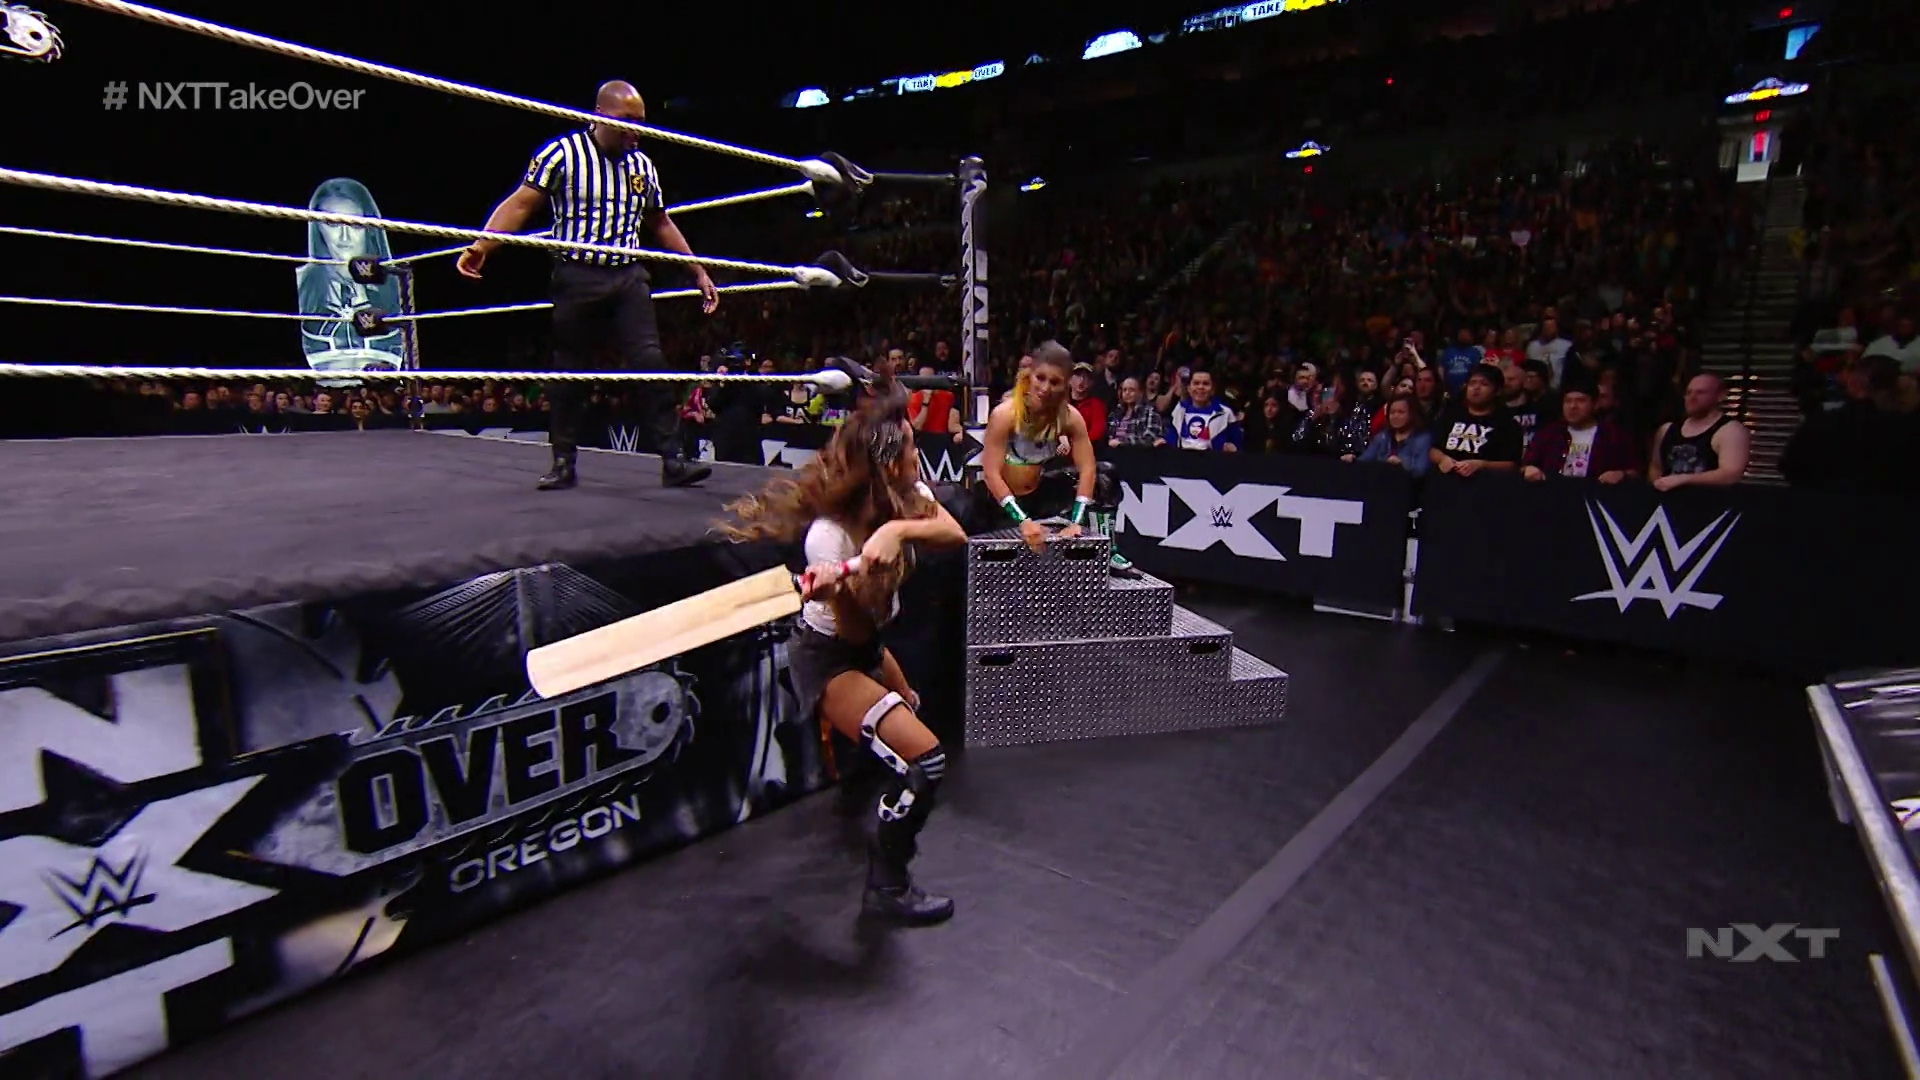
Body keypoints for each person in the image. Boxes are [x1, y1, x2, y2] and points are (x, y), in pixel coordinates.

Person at [722, 404, 968, 924]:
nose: (919, 456)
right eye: (910, 448)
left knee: (907, 719)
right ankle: (887, 885)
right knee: (925, 759)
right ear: (889, 464)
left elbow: (954, 534)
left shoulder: (910, 497)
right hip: (828, 656)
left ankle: (868, 809)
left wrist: (898, 531)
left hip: (871, 646)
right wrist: (838, 593)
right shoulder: (828, 538)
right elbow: (854, 631)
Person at [458, 80, 718, 491]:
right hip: (577, 276)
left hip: (628, 275)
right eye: (628, 120)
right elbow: (521, 203)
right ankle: (563, 462)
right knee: (569, 371)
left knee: (650, 362)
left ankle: (674, 460)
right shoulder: (561, 153)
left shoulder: (642, 165)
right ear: (601, 115)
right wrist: (482, 246)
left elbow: (660, 222)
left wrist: (697, 270)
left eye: (642, 122)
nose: (637, 130)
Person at [976, 342, 1138, 576]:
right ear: (1029, 375)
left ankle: (1108, 552)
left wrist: (1076, 523)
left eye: (1054, 382)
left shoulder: (1070, 417)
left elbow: (1088, 468)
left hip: (1039, 491)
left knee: (1106, 475)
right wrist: (1022, 521)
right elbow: (990, 472)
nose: (1045, 388)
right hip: (1002, 502)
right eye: (1040, 378)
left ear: (1066, 383)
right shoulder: (1005, 414)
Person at [1648, 374, 1752, 490]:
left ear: (1720, 396)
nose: (1692, 397)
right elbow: (1656, 467)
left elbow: (1731, 474)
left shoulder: (1731, 430)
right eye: (1688, 393)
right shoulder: (1667, 429)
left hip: (1709, 499)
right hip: (1668, 498)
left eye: (1700, 393)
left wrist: (1683, 480)